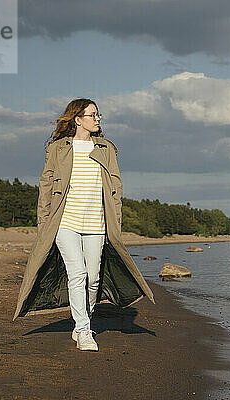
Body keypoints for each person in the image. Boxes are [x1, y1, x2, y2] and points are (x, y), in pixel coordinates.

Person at [12, 99, 155, 352]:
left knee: (93, 279)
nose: (98, 119)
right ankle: (84, 330)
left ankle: (81, 323)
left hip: (96, 223)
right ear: (78, 119)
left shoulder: (106, 148)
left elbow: (116, 188)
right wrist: (44, 222)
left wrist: (116, 222)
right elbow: (45, 185)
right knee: (77, 273)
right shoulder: (58, 149)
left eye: (98, 115)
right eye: (92, 115)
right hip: (65, 221)